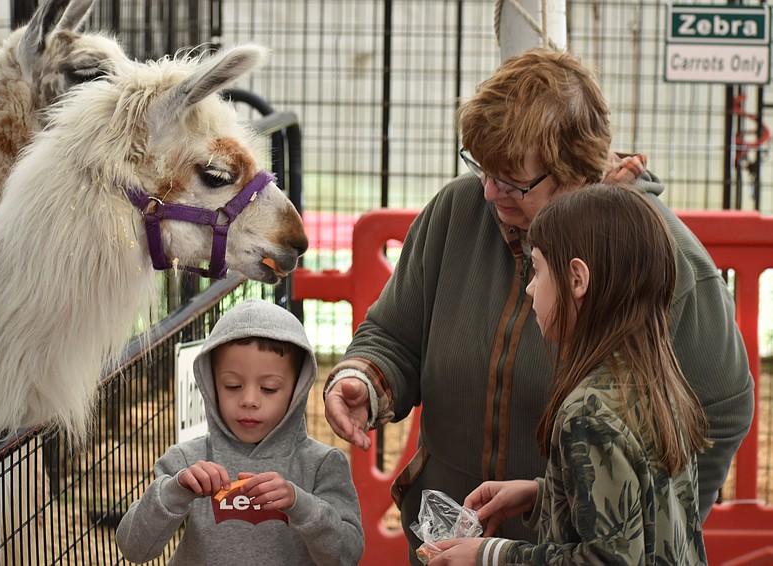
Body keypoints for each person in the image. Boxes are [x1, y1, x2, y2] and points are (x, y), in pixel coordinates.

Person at [322, 47, 754, 563]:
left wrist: (657, 530)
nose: (488, 192)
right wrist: (367, 379)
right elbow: (394, 334)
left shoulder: (665, 260)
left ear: (575, 168)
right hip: (454, 545)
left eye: (513, 181)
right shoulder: (457, 213)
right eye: (482, 168)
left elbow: (720, 410)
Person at [428, 184, 709, 564]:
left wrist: (491, 555)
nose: (529, 289)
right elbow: (642, 511)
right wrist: (545, 494)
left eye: (538, 270)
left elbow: (606, 560)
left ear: (577, 279)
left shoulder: (587, 415)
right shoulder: (656, 385)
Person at [116, 298, 364, 566]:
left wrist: (300, 504)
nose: (249, 400)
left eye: (268, 388)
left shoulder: (321, 465)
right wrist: (174, 491)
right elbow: (134, 548)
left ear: (297, 389)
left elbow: (347, 556)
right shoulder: (187, 461)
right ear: (212, 384)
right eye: (232, 386)